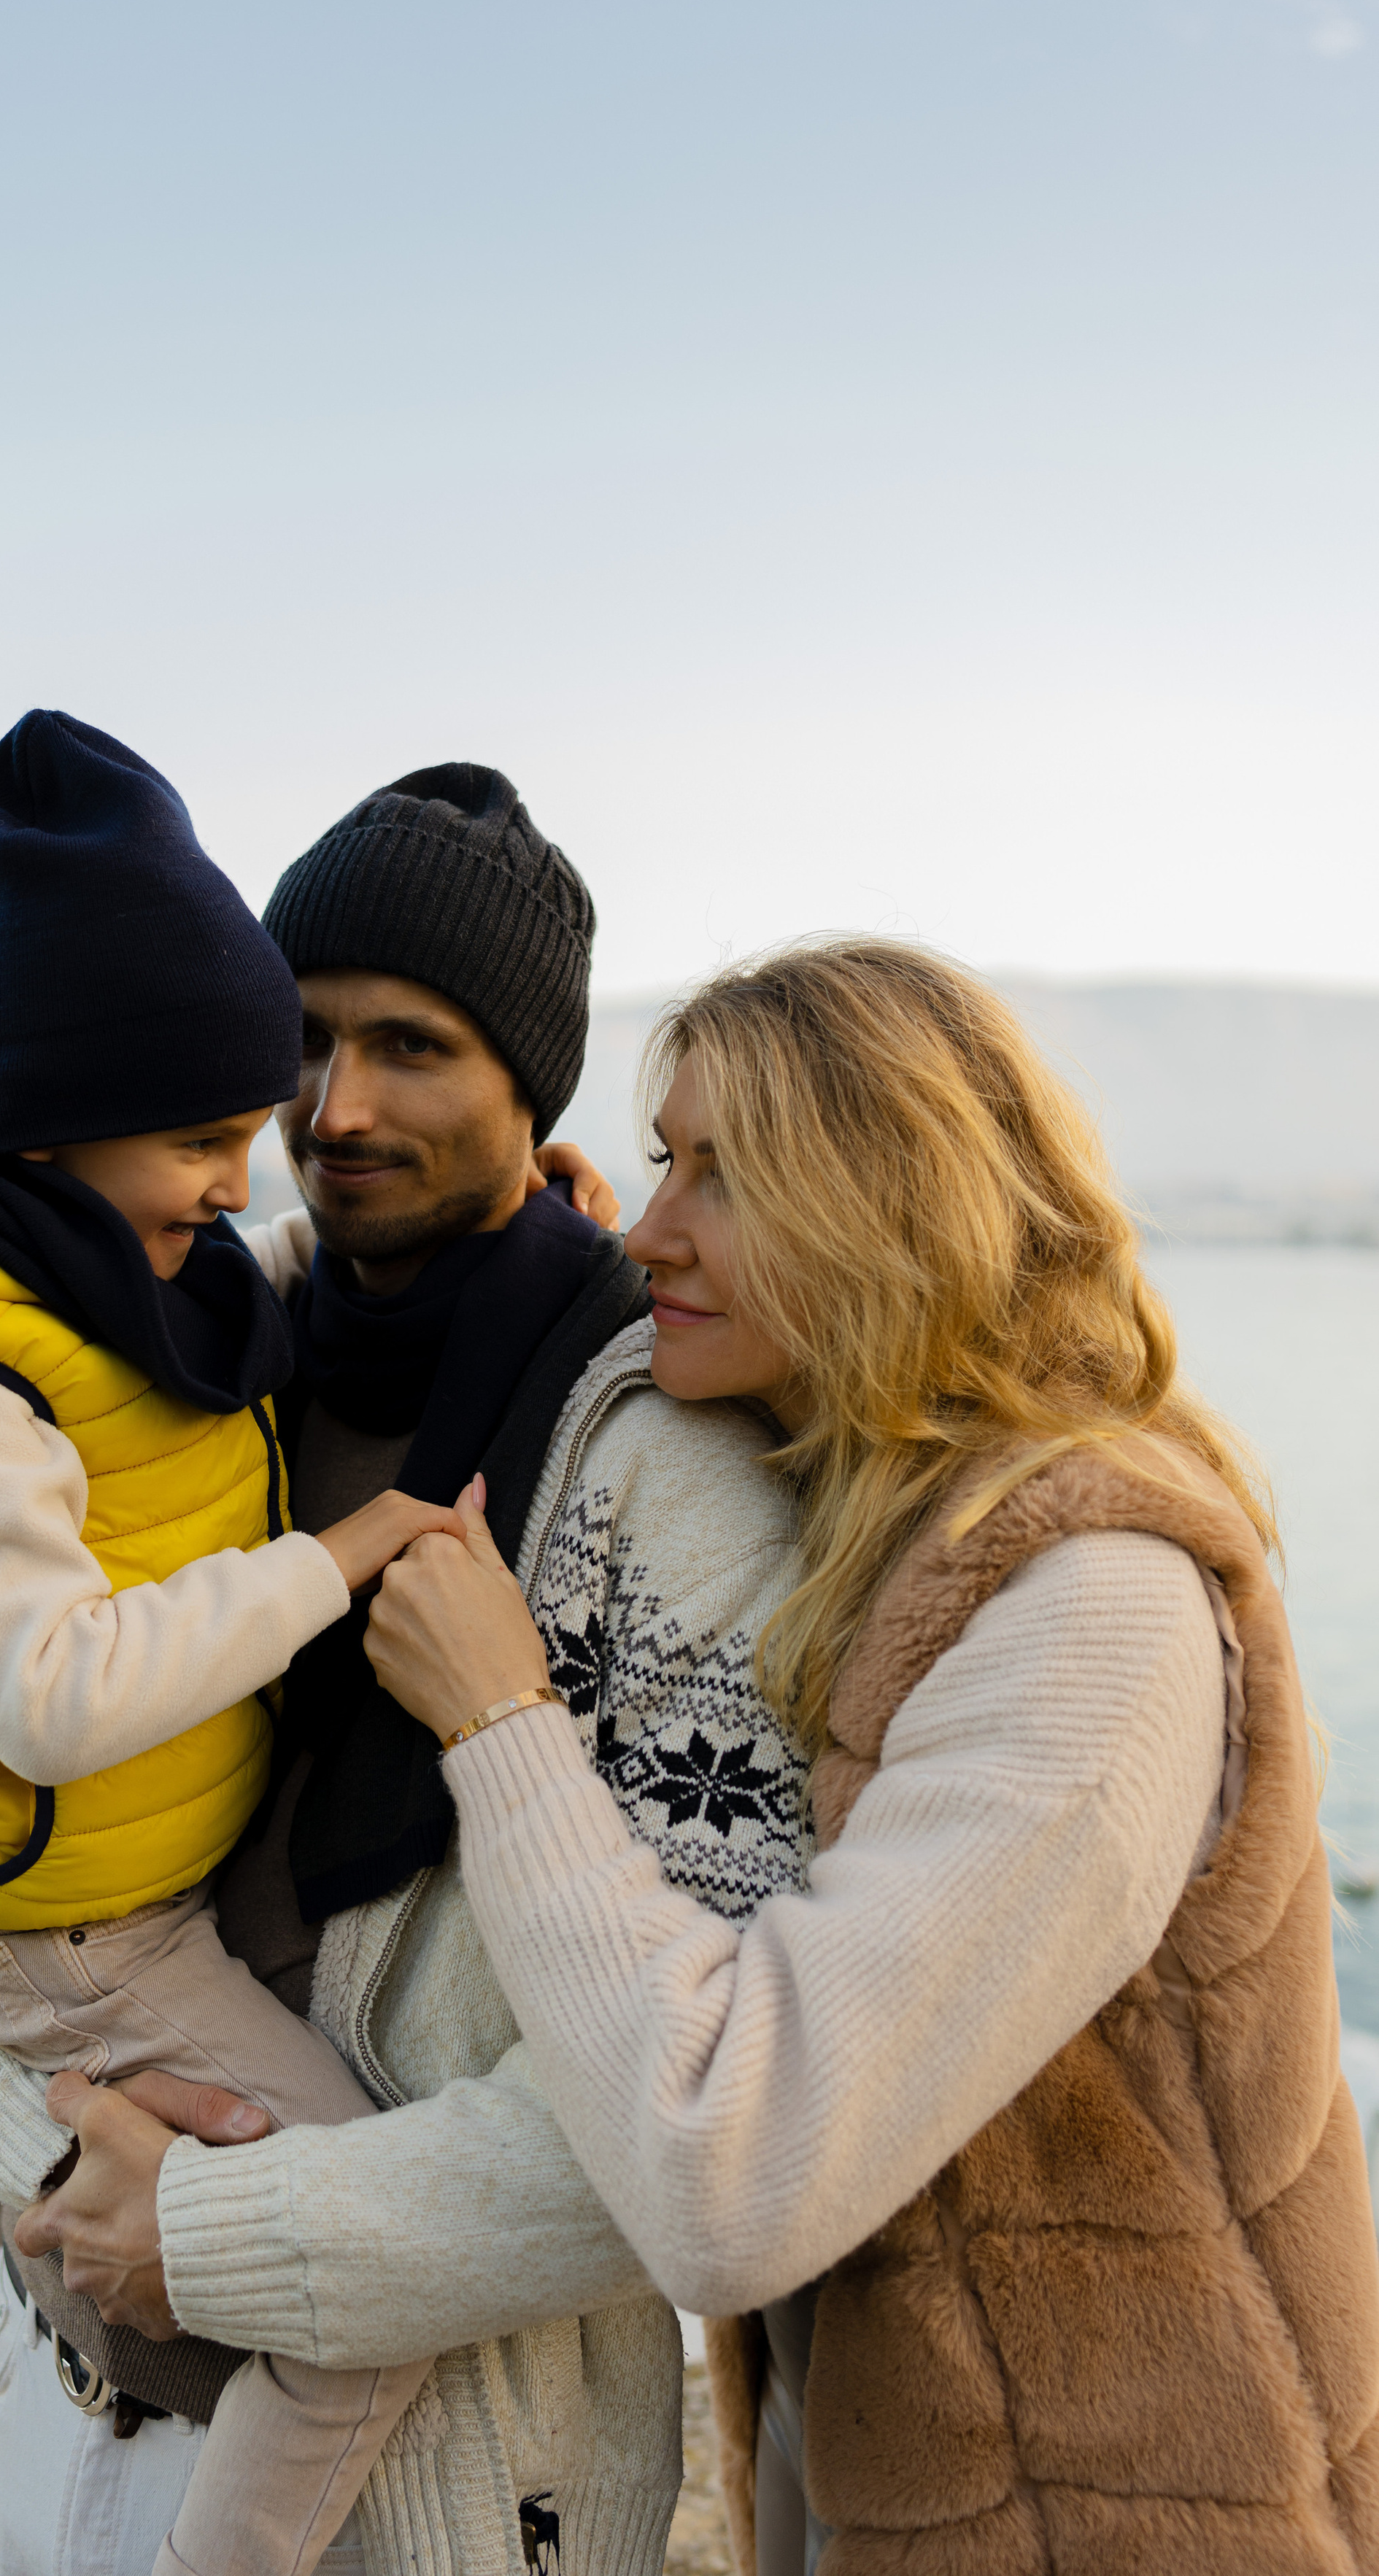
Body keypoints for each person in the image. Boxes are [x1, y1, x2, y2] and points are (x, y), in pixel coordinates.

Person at [0, 763, 811, 2576]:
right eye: (298, 1038)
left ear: (530, 1088)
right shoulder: (174, 1351)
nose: (336, 1105)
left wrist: (212, 2227)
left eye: (413, 1046)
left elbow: (680, 2115)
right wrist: (49, 2153)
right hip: (48, 2372)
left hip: (411, 2476)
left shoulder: (678, 1476)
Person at [358, 937, 1379, 2573]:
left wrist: (498, 1723)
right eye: (659, 1162)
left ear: (898, 1209)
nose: (649, 1230)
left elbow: (725, 2177)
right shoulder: (899, 1510)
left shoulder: (1091, 1605)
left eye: (727, 1179)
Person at [0, 713, 485, 2576]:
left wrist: (508, 1229)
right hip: (60, 1925)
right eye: (207, 1138)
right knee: (360, 2269)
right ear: (61, 1127)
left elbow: (212, 1356)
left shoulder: (81, 1260)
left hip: (94, 1904)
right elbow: (47, 1698)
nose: (250, 1175)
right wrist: (332, 1560)